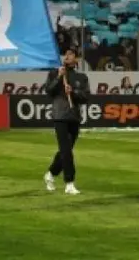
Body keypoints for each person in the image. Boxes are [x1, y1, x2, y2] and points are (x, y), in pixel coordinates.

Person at [43, 49, 90, 195]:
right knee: (66, 151)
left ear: (76, 59)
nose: (67, 57)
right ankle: (69, 183)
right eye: (66, 54)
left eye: (71, 55)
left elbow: (86, 97)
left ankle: (50, 174)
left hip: (74, 116)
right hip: (60, 116)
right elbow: (49, 91)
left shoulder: (81, 77)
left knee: (65, 151)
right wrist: (58, 77)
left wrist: (74, 91)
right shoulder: (54, 73)